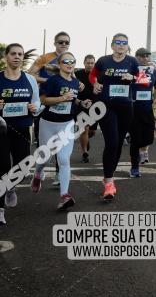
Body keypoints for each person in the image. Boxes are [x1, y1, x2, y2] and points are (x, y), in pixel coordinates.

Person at [90, 34, 139, 201]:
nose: (121, 45)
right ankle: (109, 181)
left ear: (127, 46)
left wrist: (132, 77)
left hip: (126, 107)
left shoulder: (132, 62)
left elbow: (145, 80)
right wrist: (95, 84)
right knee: (111, 142)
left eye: (124, 43)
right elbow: (92, 75)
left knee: (118, 144)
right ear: (112, 45)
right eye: (118, 43)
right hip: (107, 106)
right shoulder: (103, 61)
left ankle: (109, 175)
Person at [31, 52, 80, 209]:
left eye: (72, 61)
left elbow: (73, 99)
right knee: (45, 158)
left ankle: (64, 196)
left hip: (67, 125)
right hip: (48, 124)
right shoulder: (52, 81)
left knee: (64, 159)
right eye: (66, 61)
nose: (69, 63)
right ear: (59, 64)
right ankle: (38, 174)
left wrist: (81, 102)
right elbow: (43, 99)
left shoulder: (75, 82)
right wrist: (61, 99)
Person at [0, 43, 40, 224]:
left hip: (23, 128)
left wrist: (34, 107)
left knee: (22, 168)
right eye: (13, 53)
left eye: (20, 54)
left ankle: (11, 188)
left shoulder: (30, 80)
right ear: (6, 57)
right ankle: (0, 209)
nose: (17, 56)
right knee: (1, 166)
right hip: (1, 129)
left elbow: (37, 102)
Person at [129, 48, 156, 178]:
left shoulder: (153, 71)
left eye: (148, 56)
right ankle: (134, 168)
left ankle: (139, 147)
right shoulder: (131, 69)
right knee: (135, 141)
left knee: (149, 137)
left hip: (148, 108)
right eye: (143, 56)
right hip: (133, 108)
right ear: (137, 57)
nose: (146, 58)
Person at [75, 54, 96, 162]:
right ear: (84, 63)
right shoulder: (77, 74)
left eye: (92, 63)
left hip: (95, 106)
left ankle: (86, 139)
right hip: (81, 105)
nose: (90, 65)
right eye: (88, 63)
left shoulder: (98, 75)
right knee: (84, 129)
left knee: (92, 132)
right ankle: (85, 153)